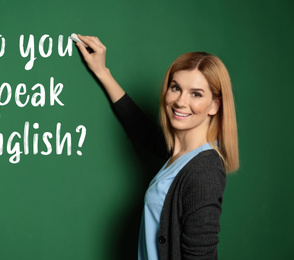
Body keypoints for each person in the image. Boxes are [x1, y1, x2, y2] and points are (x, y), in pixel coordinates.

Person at [75, 35, 239, 260]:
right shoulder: (179, 153)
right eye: (175, 88)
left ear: (214, 105)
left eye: (196, 94)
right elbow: (141, 128)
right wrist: (102, 71)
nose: (181, 102)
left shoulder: (204, 171)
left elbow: (201, 255)